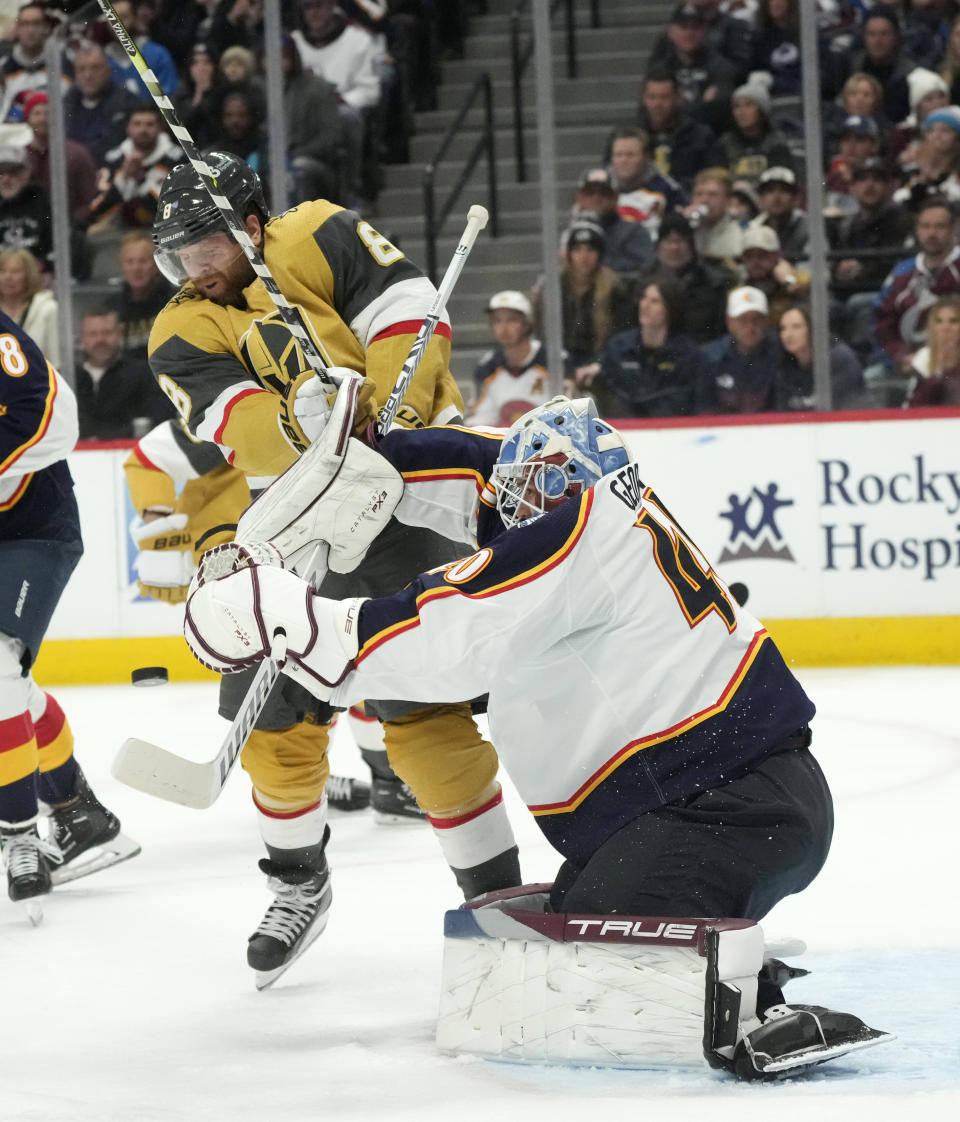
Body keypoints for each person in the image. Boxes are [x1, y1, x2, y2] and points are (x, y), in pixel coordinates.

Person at [182, 393, 833, 928]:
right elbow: (483, 461)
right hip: (733, 797)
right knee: (573, 914)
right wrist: (378, 450)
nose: (506, 504)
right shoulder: (616, 498)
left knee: (597, 945)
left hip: (721, 806)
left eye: (523, 489)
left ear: (555, 482)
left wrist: (274, 612)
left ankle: (745, 996)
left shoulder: (573, 538)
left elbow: (438, 631)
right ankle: (721, 937)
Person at [148, 150, 521, 984]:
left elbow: (410, 317)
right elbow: (236, 424)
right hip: (292, 521)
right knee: (268, 716)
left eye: (201, 251)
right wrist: (308, 427)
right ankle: (297, 882)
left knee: (421, 710)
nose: (191, 273)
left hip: (411, 490)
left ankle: (499, 903)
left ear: (247, 226)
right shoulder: (180, 327)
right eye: (176, 258)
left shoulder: (318, 232)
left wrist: (381, 412)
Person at [0, 308, 139, 920]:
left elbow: (54, 416)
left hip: (36, 528)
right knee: (10, 684)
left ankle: (18, 836)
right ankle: (77, 810)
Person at [531, 217, 635, 377]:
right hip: (557, 364)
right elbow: (541, 331)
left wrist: (599, 364)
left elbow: (619, 336)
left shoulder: (614, 287)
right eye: (577, 249)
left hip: (600, 366)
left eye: (590, 250)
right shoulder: (552, 285)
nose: (584, 256)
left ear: (600, 254)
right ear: (569, 254)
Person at [588, 276, 703, 418]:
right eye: (644, 298)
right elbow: (611, 396)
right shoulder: (618, 347)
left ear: (670, 308)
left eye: (655, 301)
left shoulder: (687, 353)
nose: (645, 305)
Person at [873, 194, 960, 376]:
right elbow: (881, 322)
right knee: (873, 378)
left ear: (954, 230)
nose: (931, 233)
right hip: (910, 365)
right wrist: (900, 357)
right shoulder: (902, 273)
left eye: (940, 226)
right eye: (925, 226)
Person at [468, 290, 564, 428]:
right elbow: (482, 418)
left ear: (527, 323)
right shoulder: (487, 367)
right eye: (497, 321)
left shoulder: (553, 360)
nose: (504, 328)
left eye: (512, 320)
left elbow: (569, 412)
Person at [75, 306, 174, 439]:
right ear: (82, 337)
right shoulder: (69, 377)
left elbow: (157, 420)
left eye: (107, 332)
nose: (100, 340)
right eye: (93, 334)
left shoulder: (143, 375)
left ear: (120, 333)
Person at [86, 100, 183, 231]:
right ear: (128, 128)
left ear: (160, 127)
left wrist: (142, 179)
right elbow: (95, 208)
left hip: (164, 231)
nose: (143, 130)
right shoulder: (113, 160)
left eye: (149, 124)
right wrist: (123, 178)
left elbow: (177, 206)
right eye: (137, 124)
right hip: (117, 231)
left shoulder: (177, 159)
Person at [636, 210, 731, 343]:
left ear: (691, 246)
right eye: (668, 241)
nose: (674, 248)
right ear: (658, 246)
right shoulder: (643, 280)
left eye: (680, 241)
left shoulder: (712, 282)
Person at [699, 285, 781, 413]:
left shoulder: (780, 355)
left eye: (756, 319)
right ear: (730, 322)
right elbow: (703, 408)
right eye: (742, 320)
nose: (750, 327)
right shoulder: (710, 358)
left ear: (766, 321)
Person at [23, 91, 98, 228]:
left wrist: (70, 225)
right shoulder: (19, 156)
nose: (43, 119)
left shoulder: (77, 154)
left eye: (48, 113)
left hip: (71, 228)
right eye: (37, 113)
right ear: (27, 118)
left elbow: (89, 199)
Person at [776, 303, 866, 412]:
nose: (787, 334)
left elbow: (840, 409)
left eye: (796, 327)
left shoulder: (839, 359)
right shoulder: (785, 365)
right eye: (783, 328)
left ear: (813, 329)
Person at [635, 68, 715, 190]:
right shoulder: (631, 136)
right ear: (644, 99)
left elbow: (712, 178)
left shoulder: (700, 136)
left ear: (677, 98)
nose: (658, 104)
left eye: (664, 97)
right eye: (652, 97)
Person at [706, 78, 794, 187]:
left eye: (748, 105)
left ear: (762, 110)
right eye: (737, 106)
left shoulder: (776, 142)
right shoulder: (724, 144)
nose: (741, 112)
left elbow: (780, 182)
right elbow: (718, 181)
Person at [64, 42, 140, 168]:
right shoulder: (66, 104)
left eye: (95, 68)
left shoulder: (126, 101)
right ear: (75, 74)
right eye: (81, 69)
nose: (88, 76)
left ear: (108, 70)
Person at [568, 168, 654, 278]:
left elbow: (644, 267)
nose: (596, 198)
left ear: (615, 197)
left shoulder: (634, 231)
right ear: (579, 198)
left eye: (604, 193)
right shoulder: (571, 232)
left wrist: (596, 266)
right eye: (590, 193)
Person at [106, 230, 176, 365]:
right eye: (129, 261)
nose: (136, 268)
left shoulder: (176, 302)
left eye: (143, 261)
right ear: (121, 266)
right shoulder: (111, 309)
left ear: (157, 264)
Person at [607, 126, 685, 237]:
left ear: (646, 157)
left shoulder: (666, 188)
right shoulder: (600, 189)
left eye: (630, 155)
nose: (623, 160)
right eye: (618, 155)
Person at [0, 3, 70, 123]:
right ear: (16, 28)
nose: (31, 30)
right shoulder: (3, 67)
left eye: (36, 24)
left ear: (46, 27)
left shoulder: (65, 63)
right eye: (25, 24)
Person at [739, 223, 809, 325]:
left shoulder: (798, 278)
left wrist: (789, 281)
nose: (755, 262)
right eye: (749, 256)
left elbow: (813, 308)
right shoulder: (739, 285)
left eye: (762, 255)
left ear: (777, 255)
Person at [0, 245, 58, 365]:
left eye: (15, 272)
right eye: (2, 271)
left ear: (29, 276)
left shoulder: (48, 309)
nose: (8, 277)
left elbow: (56, 360)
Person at [905, 292, 960, 405]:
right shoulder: (922, 359)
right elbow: (911, 409)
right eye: (939, 321)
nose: (946, 328)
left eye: (953, 321)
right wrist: (938, 374)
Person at [683, 167, 744, 269]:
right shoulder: (687, 231)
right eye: (699, 194)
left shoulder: (741, 235)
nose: (704, 200)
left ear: (728, 200)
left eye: (712, 194)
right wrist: (682, 224)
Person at [749, 166, 809, 263]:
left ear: (795, 198)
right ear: (761, 199)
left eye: (784, 190)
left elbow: (815, 269)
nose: (777, 197)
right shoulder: (753, 228)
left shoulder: (809, 227)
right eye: (770, 191)